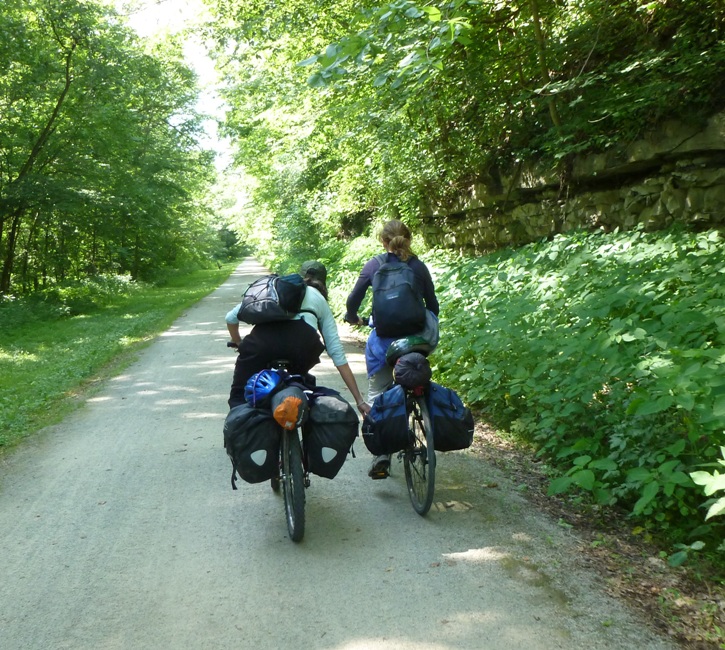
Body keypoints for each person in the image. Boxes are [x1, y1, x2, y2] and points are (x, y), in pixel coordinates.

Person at [344, 219, 439, 479]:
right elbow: (432, 305)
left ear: (382, 241)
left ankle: (382, 453)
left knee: (376, 391)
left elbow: (354, 299)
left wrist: (352, 317)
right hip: (417, 340)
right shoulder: (418, 266)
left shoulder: (374, 265)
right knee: (416, 369)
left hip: (385, 342)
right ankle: (424, 409)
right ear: (408, 238)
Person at [226, 260, 370, 419]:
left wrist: (238, 342)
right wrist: (359, 400)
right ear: (323, 281)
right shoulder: (318, 298)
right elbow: (336, 351)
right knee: (303, 386)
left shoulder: (274, 290)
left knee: (240, 393)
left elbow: (230, 317)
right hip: (302, 348)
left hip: (262, 344)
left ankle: (238, 422)